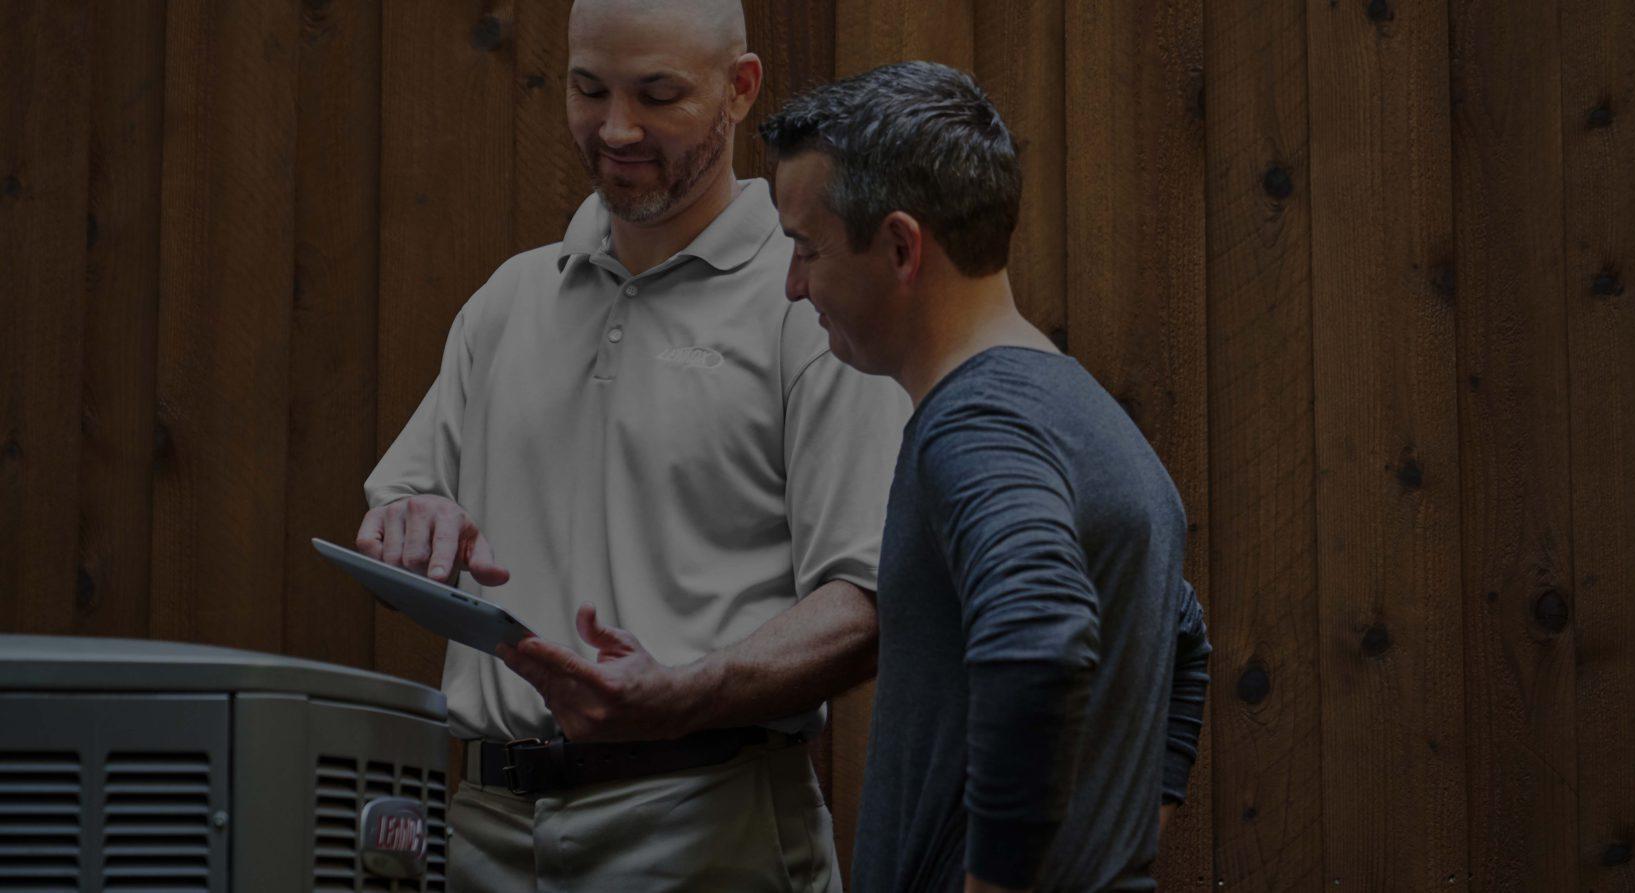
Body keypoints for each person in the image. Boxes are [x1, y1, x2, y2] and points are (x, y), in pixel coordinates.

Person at [354, 0, 906, 888]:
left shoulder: (806, 302)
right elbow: (408, 501)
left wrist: (691, 693)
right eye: (588, 89)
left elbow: (869, 600)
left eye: (656, 94)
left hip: (706, 828)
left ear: (741, 89)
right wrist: (413, 521)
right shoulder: (509, 299)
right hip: (481, 830)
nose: (616, 129)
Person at [755, 60, 1214, 892]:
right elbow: (1183, 632)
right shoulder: (1082, 414)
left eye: (806, 249)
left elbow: (1038, 629)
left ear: (900, 246)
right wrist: (1119, 847)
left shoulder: (976, 426)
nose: (793, 286)